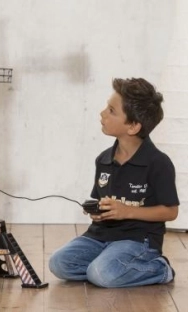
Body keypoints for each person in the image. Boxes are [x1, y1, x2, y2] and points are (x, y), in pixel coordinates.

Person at [48, 77, 179, 288]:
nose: (102, 113)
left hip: (137, 241)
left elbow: (170, 212)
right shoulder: (103, 159)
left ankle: (159, 269)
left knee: (102, 273)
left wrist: (127, 211)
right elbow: (101, 200)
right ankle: (110, 268)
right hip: (99, 236)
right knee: (59, 263)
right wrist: (97, 211)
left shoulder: (158, 163)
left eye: (111, 111)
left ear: (133, 126)